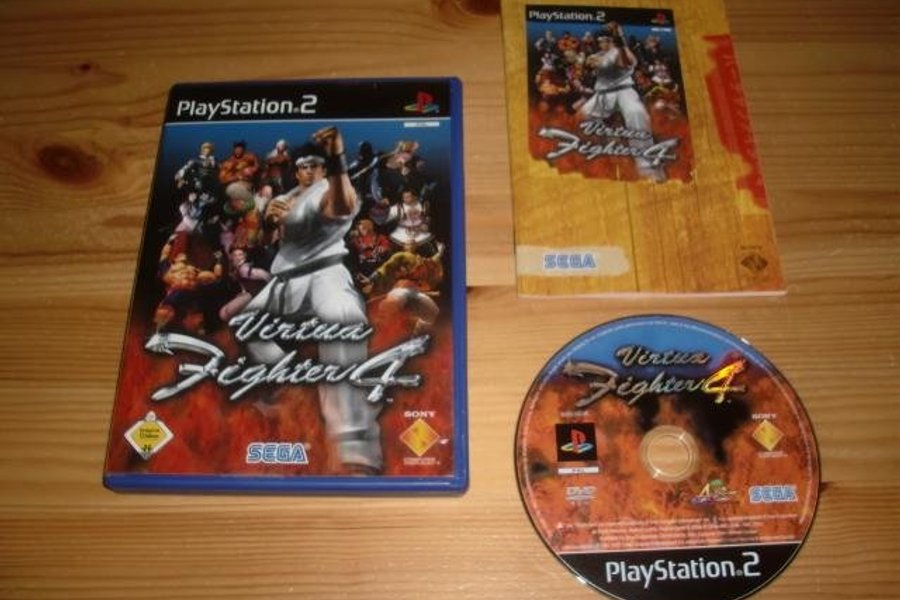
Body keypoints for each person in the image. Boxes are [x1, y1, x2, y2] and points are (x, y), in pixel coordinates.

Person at [241, 126, 382, 474]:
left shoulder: (331, 188)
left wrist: (336, 157)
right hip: (286, 280)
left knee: (343, 326)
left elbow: (342, 204)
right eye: (302, 165)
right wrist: (268, 222)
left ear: (323, 167)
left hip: (325, 274)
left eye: (314, 165)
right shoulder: (287, 196)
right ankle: (294, 387)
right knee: (247, 326)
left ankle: (355, 448)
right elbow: (264, 241)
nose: (307, 170)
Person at [579, 23, 665, 181]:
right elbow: (589, 65)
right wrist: (592, 62)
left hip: (624, 91)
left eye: (606, 39)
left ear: (612, 40)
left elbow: (629, 62)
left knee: (636, 113)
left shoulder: (621, 51)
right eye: (600, 40)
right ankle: (602, 150)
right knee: (582, 116)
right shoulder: (597, 55)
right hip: (602, 95)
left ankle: (648, 167)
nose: (602, 43)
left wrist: (620, 37)